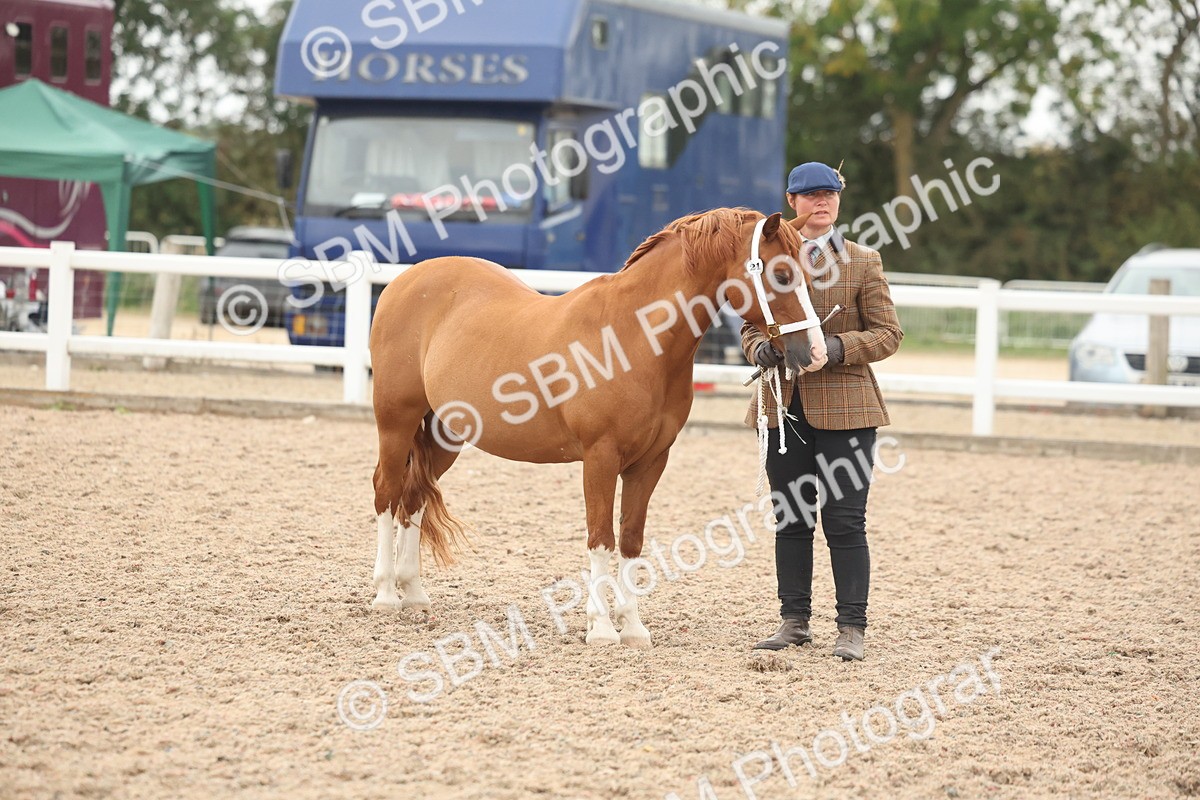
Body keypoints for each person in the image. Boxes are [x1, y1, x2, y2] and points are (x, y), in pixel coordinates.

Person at [742, 161, 903, 661]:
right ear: (791, 202)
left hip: (848, 407)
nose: (821, 201)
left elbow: (888, 333)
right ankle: (794, 620)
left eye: (828, 194)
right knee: (790, 518)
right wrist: (760, 350)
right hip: (783, 407)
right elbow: (750, 325)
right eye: (810, 194)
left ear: (839, 199)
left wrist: (835, 348)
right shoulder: (767, 260)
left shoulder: (863, 261)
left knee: (845, 520)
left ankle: (852, 626)